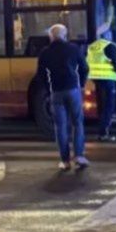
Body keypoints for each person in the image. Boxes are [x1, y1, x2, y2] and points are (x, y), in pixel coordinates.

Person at [37, 24, 89, 171]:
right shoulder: (73, 49)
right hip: (73, 89)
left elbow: (41, 75)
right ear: (64, 35)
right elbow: (84, 67)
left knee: (60, 127)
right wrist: (82, 84)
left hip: (56, 92)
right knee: (77, 123)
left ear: (51, 36)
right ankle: (79, 155)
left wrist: (49, 89)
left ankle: (65, 161)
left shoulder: (45, 52)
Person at [87, 22, 116, 142]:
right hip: (109, 79)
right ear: (107, 34)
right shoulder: (109, 46)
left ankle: (102, 131)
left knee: (102, 106)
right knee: (109, 107)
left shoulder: (92, 46)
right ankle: (103, 133)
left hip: (97, 80)